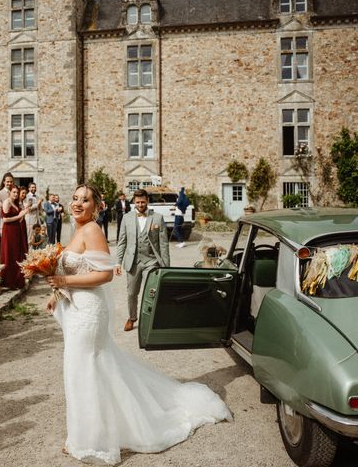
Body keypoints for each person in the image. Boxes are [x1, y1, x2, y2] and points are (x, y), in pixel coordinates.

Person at [45, 184, 231, 465]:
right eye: (75, 199)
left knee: (84, 371)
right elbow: (76, 268)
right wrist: (56, 293)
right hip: (76, 310)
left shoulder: (93, 230)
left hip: (88, 314)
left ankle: (90, 441)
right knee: (86, 370)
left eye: (86, 200)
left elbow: (105, 275)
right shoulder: (77, 230)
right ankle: (85, 434)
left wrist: (64, 282)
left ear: (97, 207)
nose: (78, 203)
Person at [115, 188, 170, 332]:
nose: (140, 204)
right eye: (138, 202)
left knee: (149, 292)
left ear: (148, 201)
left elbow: (163, 244)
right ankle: (132, 318)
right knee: (131, 293)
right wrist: (118, 262)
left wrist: (166, 266)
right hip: (132, 262)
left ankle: (149, 320)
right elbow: (121, 242)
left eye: (143, 202)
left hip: (151, 261)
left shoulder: (157, 218)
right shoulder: (126, 218)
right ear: (133, 202)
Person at [0, 185, 28, 289]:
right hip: (9, 231)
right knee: (10, 254)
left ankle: (17, 280)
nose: (16, 194)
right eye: (14, 192)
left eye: (17, 192)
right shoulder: (7, 202)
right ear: (10, 192)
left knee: (17, 254)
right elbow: (5, 220)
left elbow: (18, 219)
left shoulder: (16, 203)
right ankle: (9, 281)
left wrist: (23, 214)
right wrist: (20, 215)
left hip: (17, 231)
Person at [0, 172, 14, 259]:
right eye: (7, 181)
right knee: (5, 244)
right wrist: (11, 216)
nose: (9, 183)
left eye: (11, 182)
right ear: (4, 182)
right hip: (4, 222)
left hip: (15, 223)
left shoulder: (14, 192)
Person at [18, 186, 30, 252]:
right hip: (18, 223)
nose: (24, 195)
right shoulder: (17, 202)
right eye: (22, 193)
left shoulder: (22, 202)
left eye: (25, 193)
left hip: (23, 222)